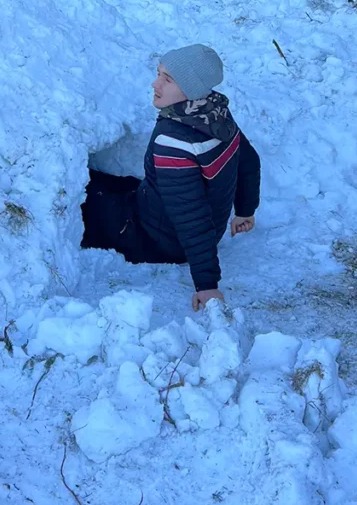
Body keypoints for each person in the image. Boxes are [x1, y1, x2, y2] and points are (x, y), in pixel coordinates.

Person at [81, 45, 261, 309]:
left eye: (168, 79)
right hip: (162, 211)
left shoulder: (174, 140)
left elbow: (192, 217)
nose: (156, 84)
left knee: (80, 203)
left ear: (190, 88)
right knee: (96, 181)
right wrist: (245, 210)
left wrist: (207, 286)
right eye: (158, 74)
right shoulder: (216, 114)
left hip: (157, 241)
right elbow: (248, 160)